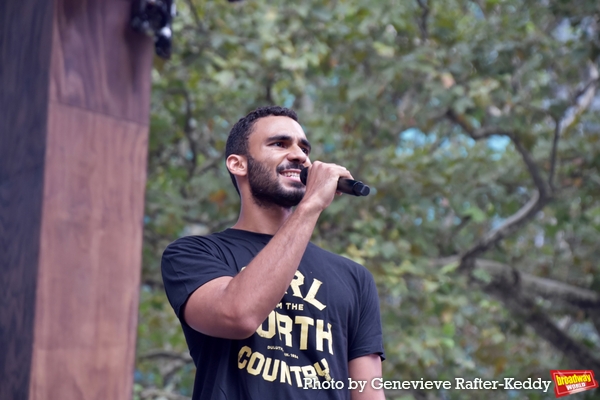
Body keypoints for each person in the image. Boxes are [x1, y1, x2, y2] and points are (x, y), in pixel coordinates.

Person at [161, 106, 385, 400]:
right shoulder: (194, 254)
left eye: (304, 148)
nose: (299, 155)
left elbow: (368, 393)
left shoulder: (354, 277)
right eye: (280, 144)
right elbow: (238, 315)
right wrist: (311, 206)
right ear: (237, 164)